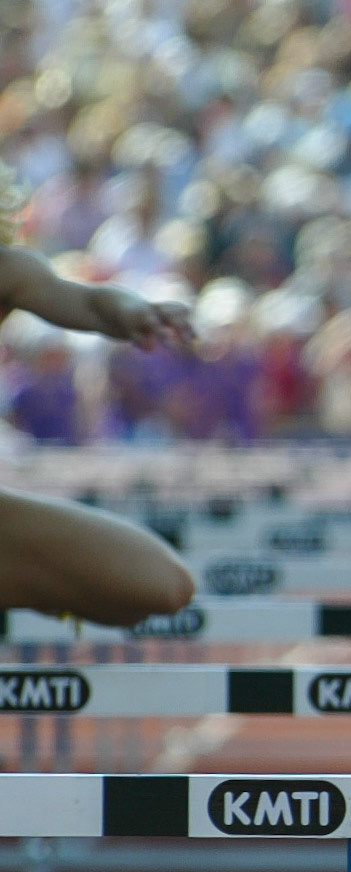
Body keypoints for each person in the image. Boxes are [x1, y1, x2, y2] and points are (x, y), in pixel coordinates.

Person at [0, 163, 198, 625]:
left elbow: (87, 301)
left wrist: (137, 312)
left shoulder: (9, 270)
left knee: (163, 584)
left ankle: (26, 586)